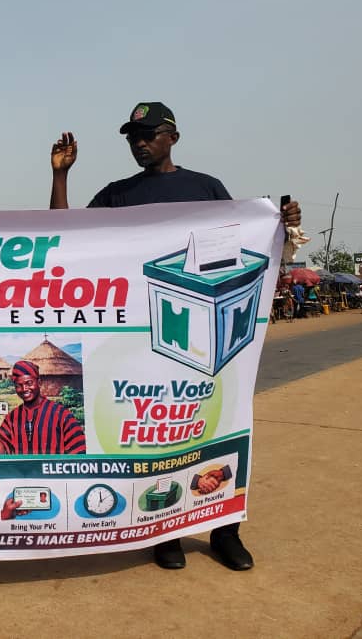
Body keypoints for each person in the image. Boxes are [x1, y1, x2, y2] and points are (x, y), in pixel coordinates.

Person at [48, 101, 302, 572]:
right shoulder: (117, 194)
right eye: (132, 137)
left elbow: (242, 247)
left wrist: (280, 226)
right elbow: (68, 238)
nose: (139, 143)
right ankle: (166, 532)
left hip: (213, 335)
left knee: (219, 426)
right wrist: (61, 176)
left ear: (173, 137)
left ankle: (226, 531)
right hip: (147, 336)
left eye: (148, 134)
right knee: (156, 436)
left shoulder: (206, 188)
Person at [0, 360, 86, 455]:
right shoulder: (12, 418)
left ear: (39, 383)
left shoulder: (61, 415)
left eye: (29, 383)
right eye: (18, 385)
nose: (24, 389)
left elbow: (79, 452)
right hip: (21, 475)